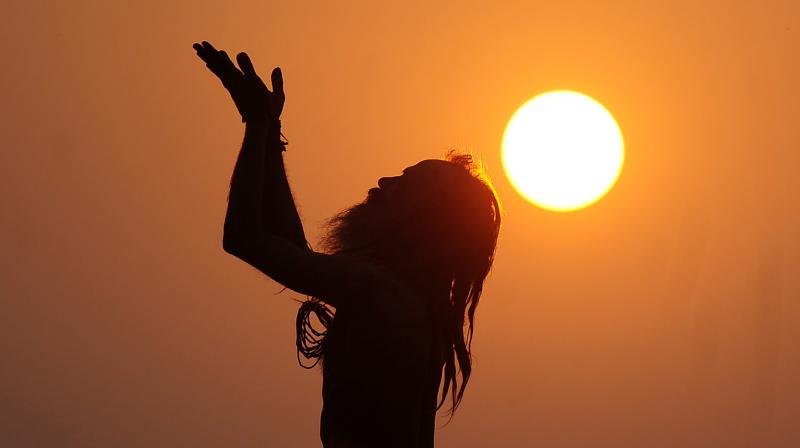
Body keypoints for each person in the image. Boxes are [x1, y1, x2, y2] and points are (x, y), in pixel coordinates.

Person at [193, 41, 501, 448]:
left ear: (422, 220)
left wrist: (255, 124)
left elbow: (245, 238)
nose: (383, 183)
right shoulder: (402, 299)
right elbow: (296, 254)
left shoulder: (382, 291)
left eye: (405, 182)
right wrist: (268, 132)